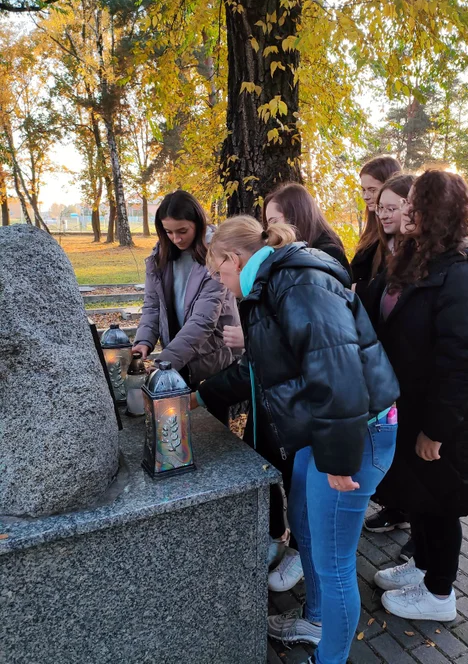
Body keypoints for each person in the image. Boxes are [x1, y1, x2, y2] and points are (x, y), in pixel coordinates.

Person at [191, 215, 399, 664]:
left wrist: (339, 460)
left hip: (356, 432)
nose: (223, 286)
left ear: (233, 258)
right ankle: (318, 617)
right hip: (332, 431)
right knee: (304, 522)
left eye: (220, 273)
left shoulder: (296, 284)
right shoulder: (271, 287)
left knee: (334, 561)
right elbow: (264, 368)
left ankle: (329, 654)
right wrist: (201, 396)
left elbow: (338, 372)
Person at [366, 170, 468, 621]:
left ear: (434, 214)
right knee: (421, 496)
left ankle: (440, 594)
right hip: (412, 406)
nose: (402, 214)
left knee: (442, 503)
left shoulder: (465, 275)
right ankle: (422, 566)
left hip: (443, 421)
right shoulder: (419, 258)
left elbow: (464, 363)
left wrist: (436, 430)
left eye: (411, 208)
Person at [223, 182, 352, 594]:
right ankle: (313, 603)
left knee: (330, 555)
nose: (269, 229)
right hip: (307, 414)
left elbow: (332, 364)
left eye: (275, 221)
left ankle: (319, 625)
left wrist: (337, 456)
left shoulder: (299, 274)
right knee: (303, 506)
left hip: (325, 421)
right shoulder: (280, 275)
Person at [132, 190, 240, 388]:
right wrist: (144, 340)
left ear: (198, 224)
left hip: (212, 361)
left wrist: (165, 362)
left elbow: (203, 320)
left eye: (182, 231)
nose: (176, 239)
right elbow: (153, 306)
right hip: (176, 357)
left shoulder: (216, 256)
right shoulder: (159, 257)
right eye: (168, 232)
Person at [360, 173, 416, 542]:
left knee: (415, 452)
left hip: (409, 370)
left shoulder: (417, 256)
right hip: (388, 365)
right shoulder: (385, 247)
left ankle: (421, 542)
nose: (381, 213)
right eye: (379, 207)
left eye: (391, 207)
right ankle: (397, 509)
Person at [350, 155, 401, 295]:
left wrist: (356, 289)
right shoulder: (372, 228)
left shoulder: (397, 232)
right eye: (363, 190)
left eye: (372, 190)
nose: (366, 196)